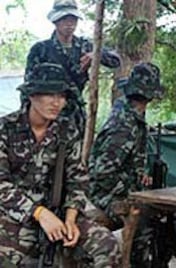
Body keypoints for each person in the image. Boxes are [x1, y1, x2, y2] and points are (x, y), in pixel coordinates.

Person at [0, 63, 121, 267]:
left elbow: (78, 181)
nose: (57, 102)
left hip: (58, 214)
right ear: (32, 95)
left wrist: (71, 219)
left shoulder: (67, 132)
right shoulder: (5, 129)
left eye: (62, 96)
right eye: (50, 94)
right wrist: (39, 214)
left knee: (106, 244)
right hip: (12, 215)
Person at [88, 62, 164, 267]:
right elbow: (102, 172)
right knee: (147, 221)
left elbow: (125, 163)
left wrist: (139, 178)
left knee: (165, 215)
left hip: (118, 189)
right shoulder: (124, 125)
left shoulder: (132, 116)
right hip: (105, 194)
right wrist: (131, 190)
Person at [24, 0, 121, 132]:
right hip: (48, 115)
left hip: (75, 116)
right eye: (64, 19)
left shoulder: (85, 46)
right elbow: (28, 88)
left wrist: (96, 55)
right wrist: (27, 119)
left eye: (73, 19)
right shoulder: (41, 50)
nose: (69, 24)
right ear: (55, 21)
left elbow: (116, 60)